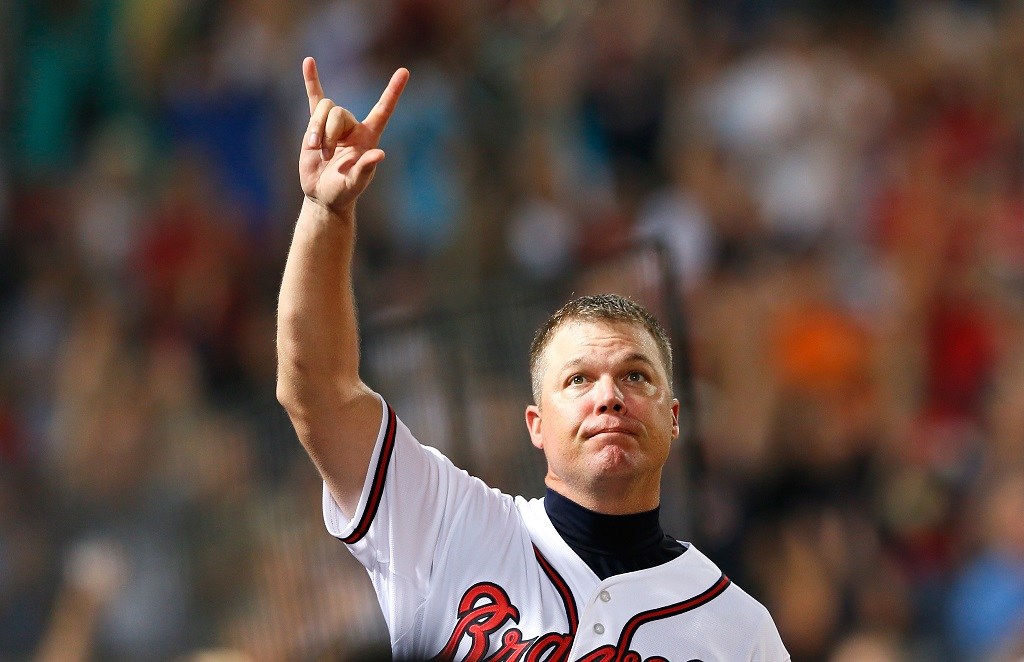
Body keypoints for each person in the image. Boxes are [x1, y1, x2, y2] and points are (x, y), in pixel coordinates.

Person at [276, 57, 790, 662]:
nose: (609, 395)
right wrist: (325, 215)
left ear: (674, 417)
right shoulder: (446, 524)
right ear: (535, 424)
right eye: (578, 379)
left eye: (635, 375)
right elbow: (317, 392)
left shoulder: (738, 631)